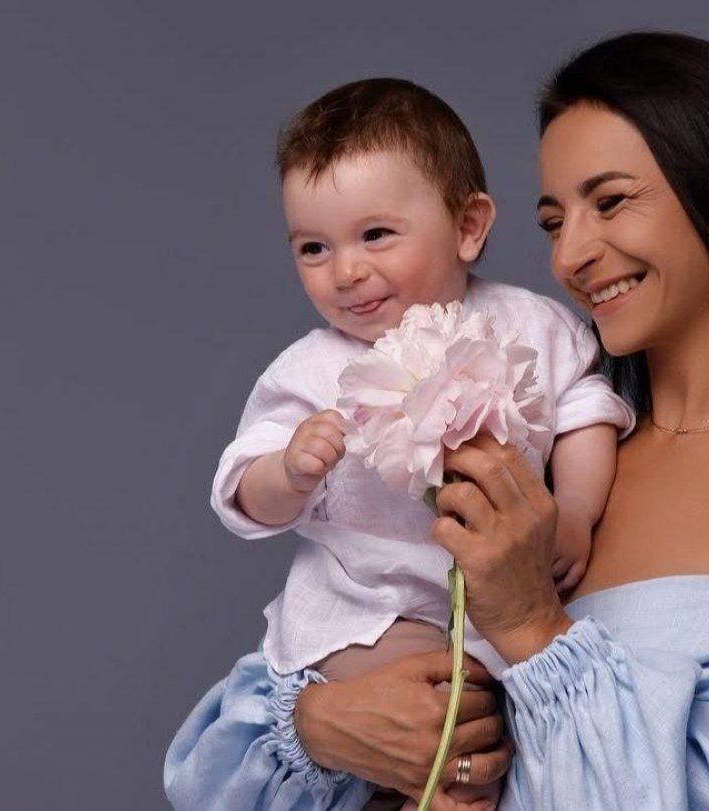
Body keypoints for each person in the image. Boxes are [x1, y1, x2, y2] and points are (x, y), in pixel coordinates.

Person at [165, 31, 709, 810]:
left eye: (611, 202)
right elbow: (217, 769)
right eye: (554, 222)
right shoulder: (541, 458)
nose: (570, 257)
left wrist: (531, 621)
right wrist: (322, 725)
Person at [170, 77, 637, 810]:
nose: (345, 271)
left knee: (499, 729)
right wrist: (287, 472)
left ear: (468, 226)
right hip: (367, 614)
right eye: (313, 247)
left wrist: (574, 510)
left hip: (504, 609)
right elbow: (240, 488)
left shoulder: (532, 325)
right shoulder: (311, 369)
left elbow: (585, 410)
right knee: (433, 704)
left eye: (376, 235)